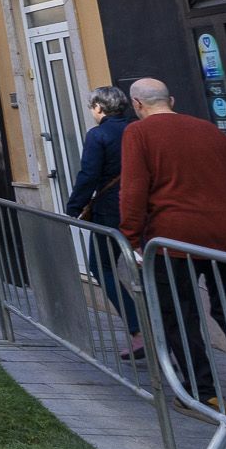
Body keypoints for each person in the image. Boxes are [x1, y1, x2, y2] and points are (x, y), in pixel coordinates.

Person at [120, 77, 226, 411]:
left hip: (174, 240)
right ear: (171, 100)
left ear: (137, 105)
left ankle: (204, 393)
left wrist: (129, 238)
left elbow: (133, 190)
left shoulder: (138, 133)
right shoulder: (209, 130)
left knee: (178, 313)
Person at [65, 85, 142, 359]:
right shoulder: (137, 129)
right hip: (144, 209)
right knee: (147, 268)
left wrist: (73, 207)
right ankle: (162, 328)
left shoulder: (98, 135)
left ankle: (137, 329)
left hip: (111, 210)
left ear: (99, 108)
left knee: (101, 266)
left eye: (92, 107)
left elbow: (88, 174)